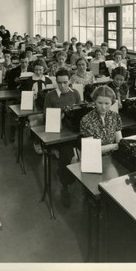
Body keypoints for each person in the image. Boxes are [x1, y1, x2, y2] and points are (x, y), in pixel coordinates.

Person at [42, 69, 81, 207]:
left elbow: (79, 112)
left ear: (70, 81)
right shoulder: (50, 96)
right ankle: (65, 185)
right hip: (58, 133)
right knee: (66, 153)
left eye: (65, 82)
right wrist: (61, 116)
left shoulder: (75, 93)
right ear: (56, 82)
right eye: (59, 83)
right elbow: (47, 118)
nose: (63, 86)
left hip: (74, 131)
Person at [80, 85, 122, 154]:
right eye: (100, 103)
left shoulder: (115, 116)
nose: (103, 107)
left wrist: (117, 146)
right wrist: (113, 146)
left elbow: (119, 141)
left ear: (112, 102)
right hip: (94, 156)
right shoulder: (86, 120)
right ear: (94, 101)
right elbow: (91, 149)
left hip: (112, 155)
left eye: (107, 103)